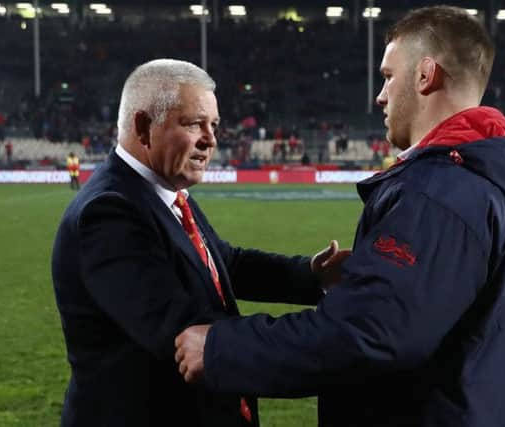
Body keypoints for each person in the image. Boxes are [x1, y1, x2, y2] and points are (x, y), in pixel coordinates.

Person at [174, 6, 505, 427]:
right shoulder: (483, 181)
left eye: (388, 76)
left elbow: (368, 333)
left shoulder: (437, 193)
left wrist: (223, 349)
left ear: (426, 75)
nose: (380, 95)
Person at [51, 59, 348, 427]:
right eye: (193, 123)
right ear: (143, 127)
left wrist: (312, 275)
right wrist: (329, 337)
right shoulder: (109, 213)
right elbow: (182, 331)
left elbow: (224, 264)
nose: (211, 139)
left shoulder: (161, 192)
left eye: (214, 125)